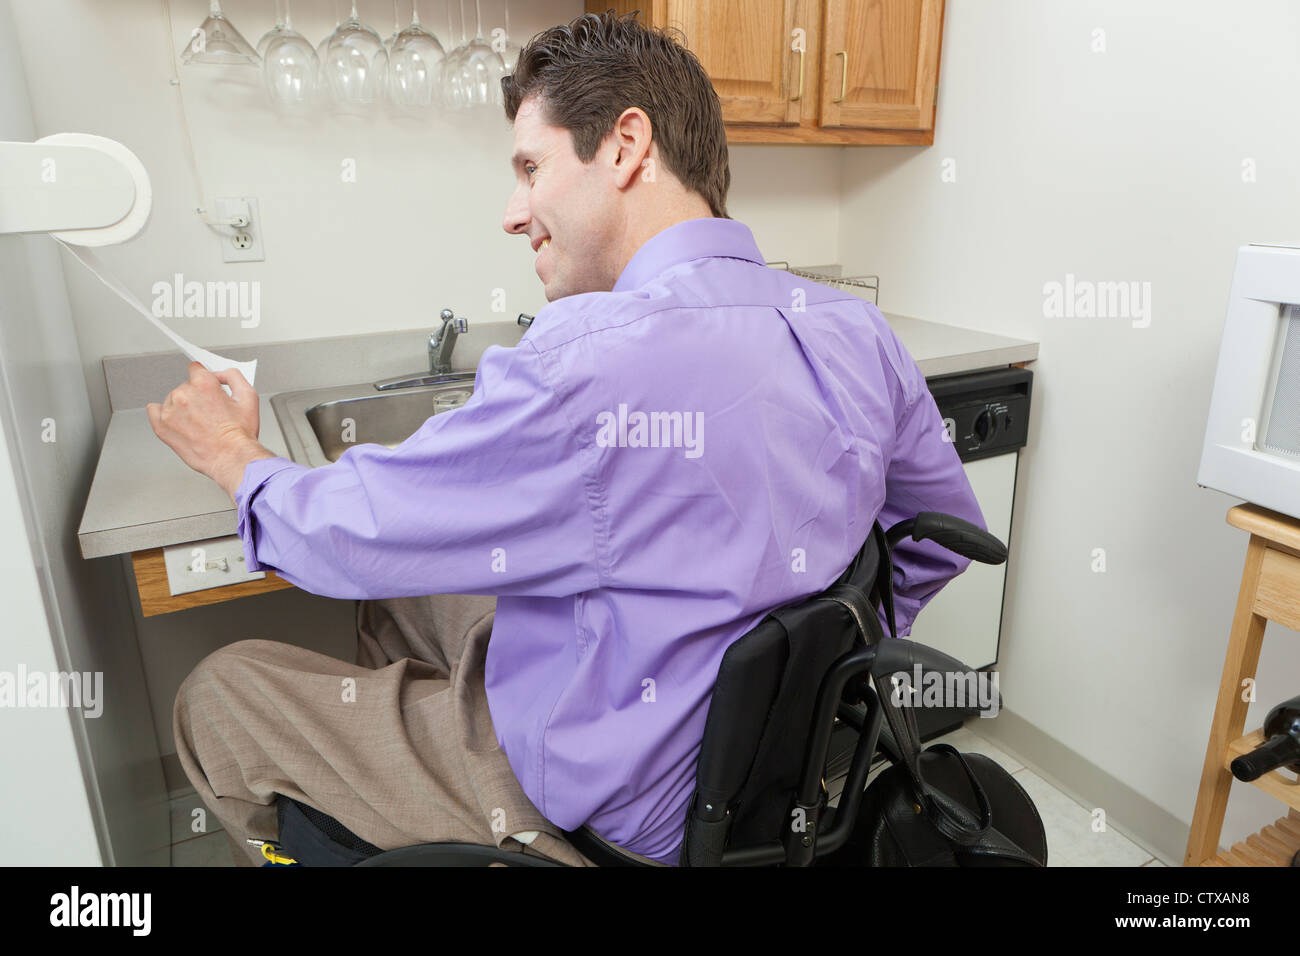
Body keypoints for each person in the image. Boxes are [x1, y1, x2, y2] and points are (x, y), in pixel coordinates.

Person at [152, 10, 986, 868]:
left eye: (530, 167)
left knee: (217, 696)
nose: (514, 213)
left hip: (617, 817)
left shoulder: (583, 360)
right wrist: (798, 703)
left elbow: (345, 533)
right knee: (405, 594)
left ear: (626, 146)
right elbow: (934, 539)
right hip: (770, 788)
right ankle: (419, 767)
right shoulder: (856, 329)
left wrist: (232, 455)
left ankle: (451, 809)